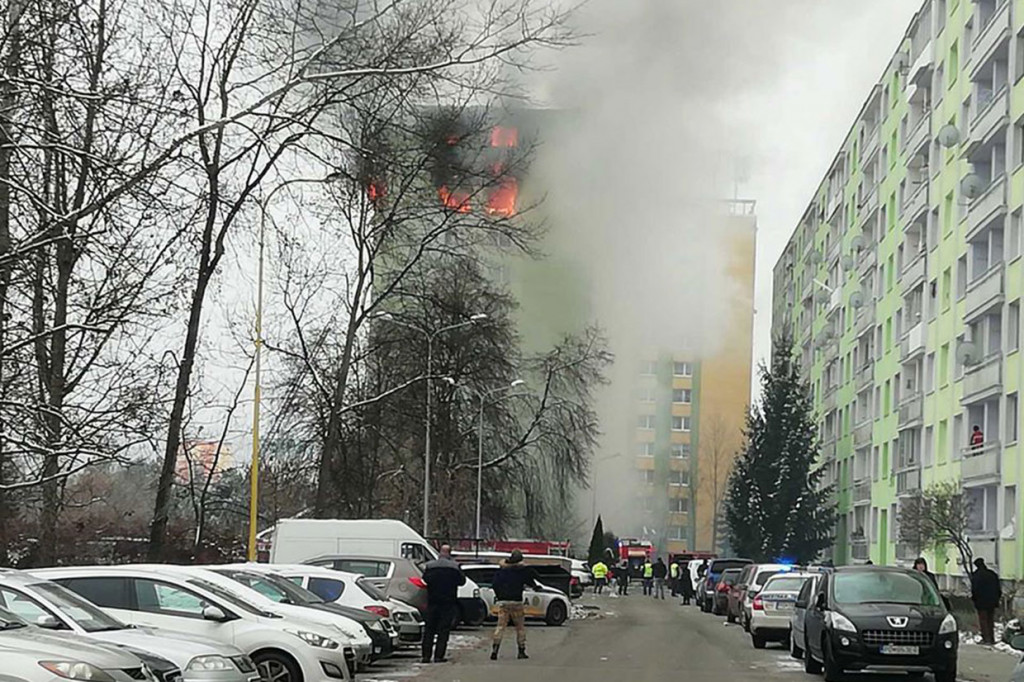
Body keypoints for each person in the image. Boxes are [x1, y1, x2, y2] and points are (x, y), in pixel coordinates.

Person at [490, 550, 541, 661]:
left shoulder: (502, 570)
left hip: (503, 603)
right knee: (520, 627)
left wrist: (500, 596)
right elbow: (532, 579)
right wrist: (535, 586)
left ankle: (495, 649)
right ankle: (521, 651)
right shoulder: (522, 571)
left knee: (500, 626)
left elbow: (494, 584)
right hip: (517, 602)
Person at [421, 544, 466, 664]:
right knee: (443, 630)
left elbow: (425, 579)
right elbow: (462, 582)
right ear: (450, 553)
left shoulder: (430, 566)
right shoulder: (455, 567)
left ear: (440, 552)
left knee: (429, 630)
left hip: (432, 601)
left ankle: (426, 656)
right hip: (448, 602)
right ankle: (439, 656)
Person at [971, 557, 1002, 645]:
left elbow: (975, 590)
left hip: (981, 602)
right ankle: (991, 638)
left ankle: (986, 638)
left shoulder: (976, 576)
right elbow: (998, 589)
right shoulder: (992, 574)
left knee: (983, 620)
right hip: (992, 602)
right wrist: (996, 599)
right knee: (990, 620)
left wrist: (975, 599)